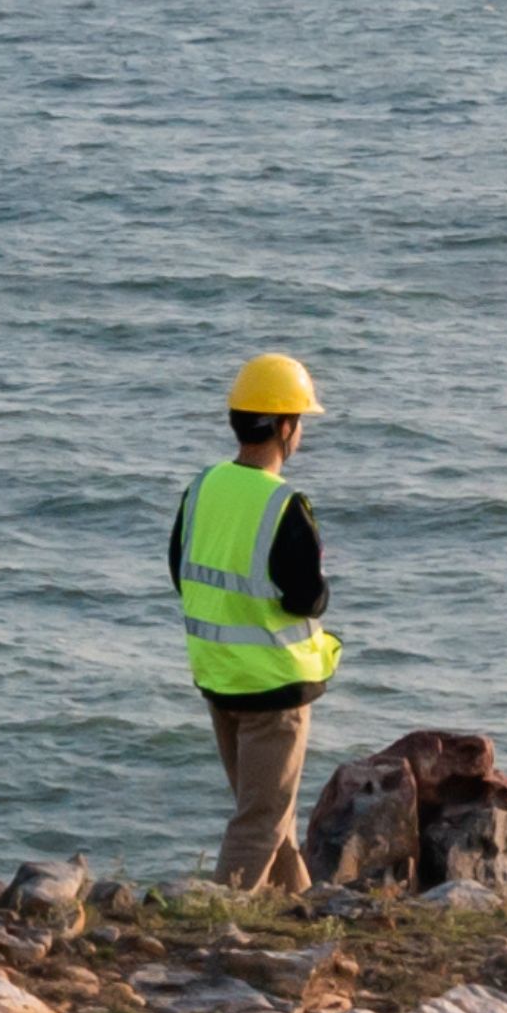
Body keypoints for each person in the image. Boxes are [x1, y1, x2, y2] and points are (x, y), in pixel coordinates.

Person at [170, 352, 342, 891]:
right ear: (285, 426)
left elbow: (180, 569)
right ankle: (216, 925)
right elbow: (307, 599)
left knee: (273, 813)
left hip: (220, 678)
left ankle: (300, 909)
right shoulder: (284, 503)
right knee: (260, 820)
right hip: (274, 688)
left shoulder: (203, 488)